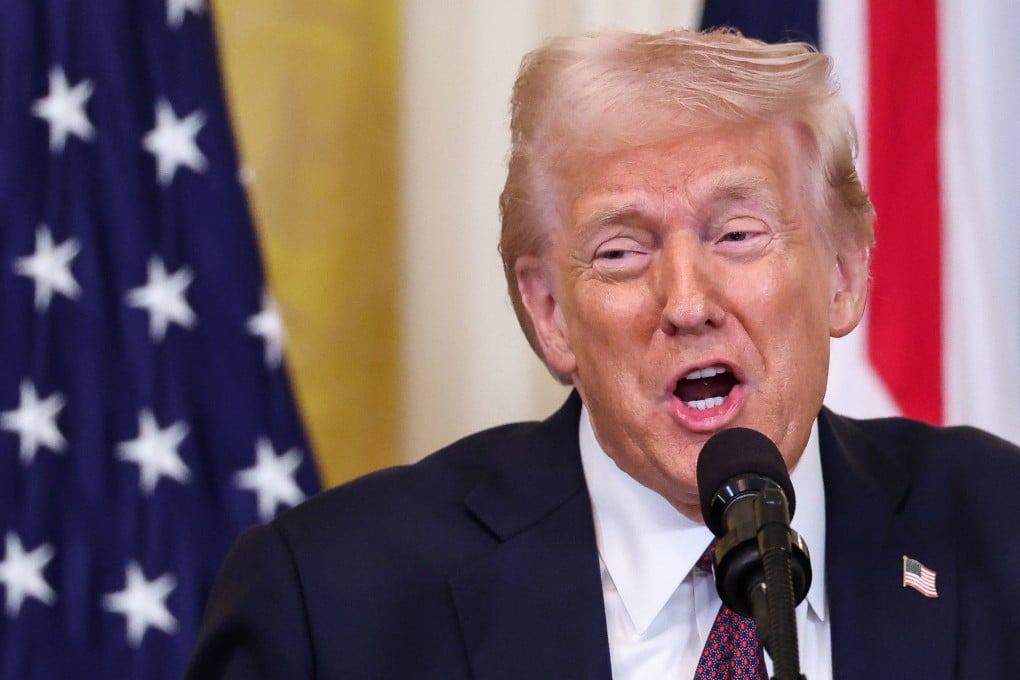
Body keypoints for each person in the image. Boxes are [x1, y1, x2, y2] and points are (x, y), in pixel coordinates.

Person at [186, 28, 1020, 679]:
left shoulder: (1000, 533)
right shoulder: (333, 603)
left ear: (843, 273)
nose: (686, 303)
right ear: (549, 313)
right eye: (621, 252)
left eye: (737, 234)